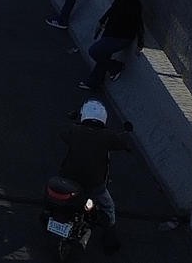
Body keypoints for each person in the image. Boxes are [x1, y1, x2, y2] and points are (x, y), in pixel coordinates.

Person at [57, 100, 135, 248]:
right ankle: (110, 242)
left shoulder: (74, 131)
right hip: (94, 184)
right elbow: (123, 143)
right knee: (109, 208)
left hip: (67, 178)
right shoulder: (108, 136)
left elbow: (63, 133)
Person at [83, 0, 143, 92]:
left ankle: (115, 66)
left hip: (121, 38)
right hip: (111, 33)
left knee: (94, 51)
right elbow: (112, 9)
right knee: (103, 55)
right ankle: (94, 81)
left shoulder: (134, 6)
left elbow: (139, 25)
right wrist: (102, 21)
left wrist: (140, 44)